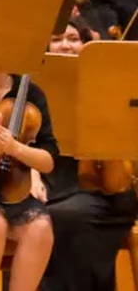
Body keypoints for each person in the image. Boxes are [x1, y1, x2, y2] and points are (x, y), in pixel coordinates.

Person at [41, 20, 137, 291]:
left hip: (104, 192)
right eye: (57, 39)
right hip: (54, 185)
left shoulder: (108, 83)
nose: (66, 46)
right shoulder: (37, 87)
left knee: (64, 217)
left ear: (86, 44)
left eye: (73, 38)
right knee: (36, 215)